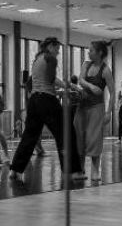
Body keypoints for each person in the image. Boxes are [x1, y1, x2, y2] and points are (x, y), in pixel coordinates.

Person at [9, 37, 84, 182]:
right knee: (67, 133)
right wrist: (71, 86)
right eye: (57, 48)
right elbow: (51, 80)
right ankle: (73, 172)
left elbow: (32, 84)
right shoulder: (50, 58)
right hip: (47, 101)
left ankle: (15, 170)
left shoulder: (37, 59)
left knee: (29, 136)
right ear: (50, 46)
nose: (58, 52)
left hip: (34, 101)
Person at [74, 41, 115, 181]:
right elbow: (80, 80)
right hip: (82, 106)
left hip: (97, 107)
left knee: (94, 139)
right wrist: (91, 86)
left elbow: (112, 93)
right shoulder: (86, 64)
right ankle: (80, 169)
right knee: (79, 137)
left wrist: (108, 113)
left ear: (100, 53)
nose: (88, 52)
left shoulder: (105, 70)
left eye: (91, 50)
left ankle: (95, 170)